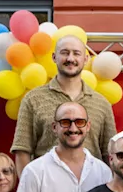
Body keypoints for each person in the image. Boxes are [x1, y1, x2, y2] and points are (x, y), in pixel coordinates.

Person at [12, 34, 116, 170]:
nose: (70, 59)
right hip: (48, 185)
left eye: (76, 53)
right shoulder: (33, 99)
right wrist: (28, 187)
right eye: (65, 53)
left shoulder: (101, 103)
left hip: (92, 187)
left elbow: (110, 153)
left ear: (85, 59)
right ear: (54, 57)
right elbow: (22, 150)